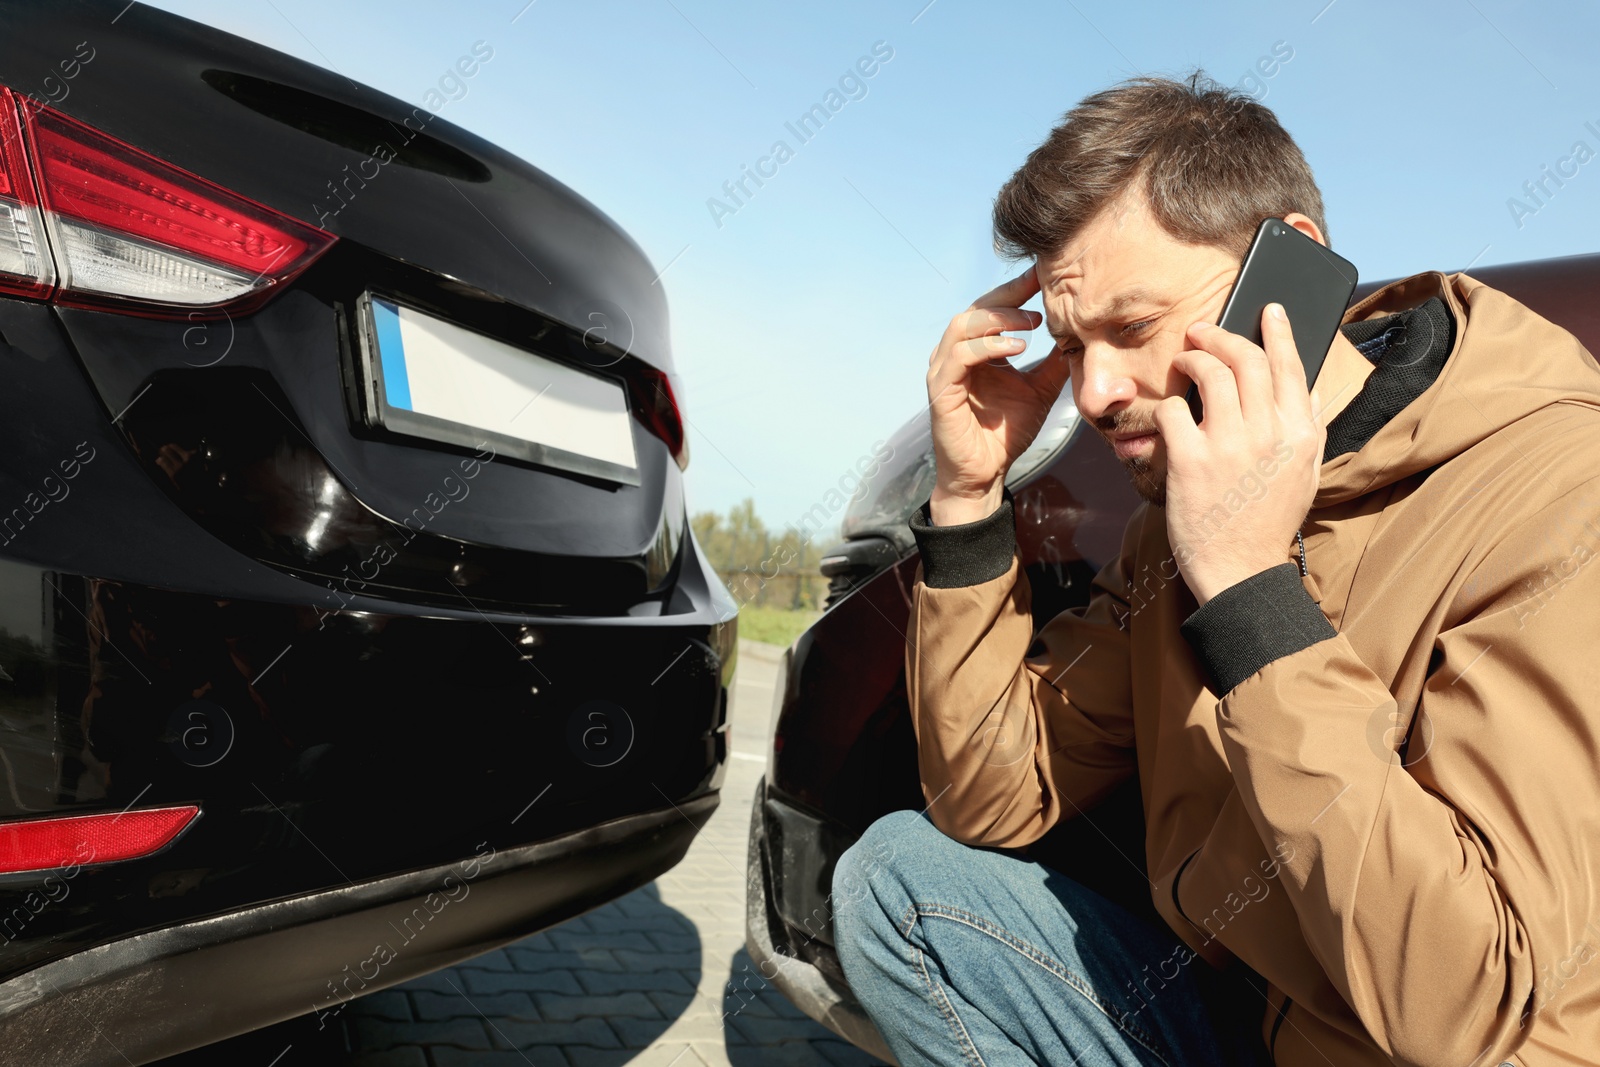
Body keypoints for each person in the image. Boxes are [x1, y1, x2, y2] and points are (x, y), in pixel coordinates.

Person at [829, 71, 1600, 1067]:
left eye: (1134, 327)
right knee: (901, 879)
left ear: (1292, 273)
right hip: (1248, 1018)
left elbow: (1460, 1008)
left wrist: (1248, 591)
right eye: (1070, 346)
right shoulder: (1178, 510)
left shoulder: (1557, 491)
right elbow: (993, 793)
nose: (1097, 391)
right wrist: (972, 499)